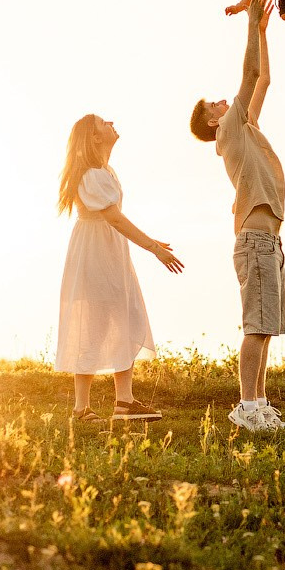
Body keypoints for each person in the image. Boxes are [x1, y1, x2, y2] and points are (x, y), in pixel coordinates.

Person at [189, 0, 285, 433]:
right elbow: (248, 73)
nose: (221, 102)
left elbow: (263, 79)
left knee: (266, 325)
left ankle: (260, 404)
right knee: (255, 325)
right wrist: (250, 20)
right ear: (213, 121)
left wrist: (263, 33)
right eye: (214, 103)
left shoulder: (244, 125)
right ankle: (246, 407)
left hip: (268, 238)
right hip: (255, 239)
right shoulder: (229, 130)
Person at [55, 114, 183, 423]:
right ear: (95, 137)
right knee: (97, 325)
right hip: (96, 252)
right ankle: (81, 408)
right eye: (102, 122)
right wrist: (153, 247)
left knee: (126, 317)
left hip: (108, 250)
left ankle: (124, 401)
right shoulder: (91, 175)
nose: (110, 122)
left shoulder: (104, 171)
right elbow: (113, 218)